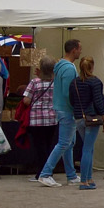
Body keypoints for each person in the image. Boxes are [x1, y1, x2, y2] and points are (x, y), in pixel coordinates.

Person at [37, 40, 83, 186]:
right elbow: (68, 92)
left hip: (60, 108)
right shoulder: (69, 69)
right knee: (64, 143)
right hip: (67, 109)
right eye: (79, 49)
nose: (80, 51)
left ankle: (71, 175)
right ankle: (45, 173)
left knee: (69, 143)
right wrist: (77, 108)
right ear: (74, 50)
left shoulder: (60, 66)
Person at [70, 56, 104, 190]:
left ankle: (89, 178)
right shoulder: (95, 82)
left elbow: (72, 100)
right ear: (92, 67)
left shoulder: (74, 82)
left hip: (79, 117)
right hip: (92, 118)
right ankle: (84, 180)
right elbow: (98, 101)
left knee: (87, 148)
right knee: (88, 149)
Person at [21, 63, 58, 181]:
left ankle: (42, 173)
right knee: (48, 145)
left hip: (36, 119)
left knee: (39, 147)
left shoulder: (34, 82)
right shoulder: (55, 82)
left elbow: (26, 100)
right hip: (52, 118)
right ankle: (48, 171)